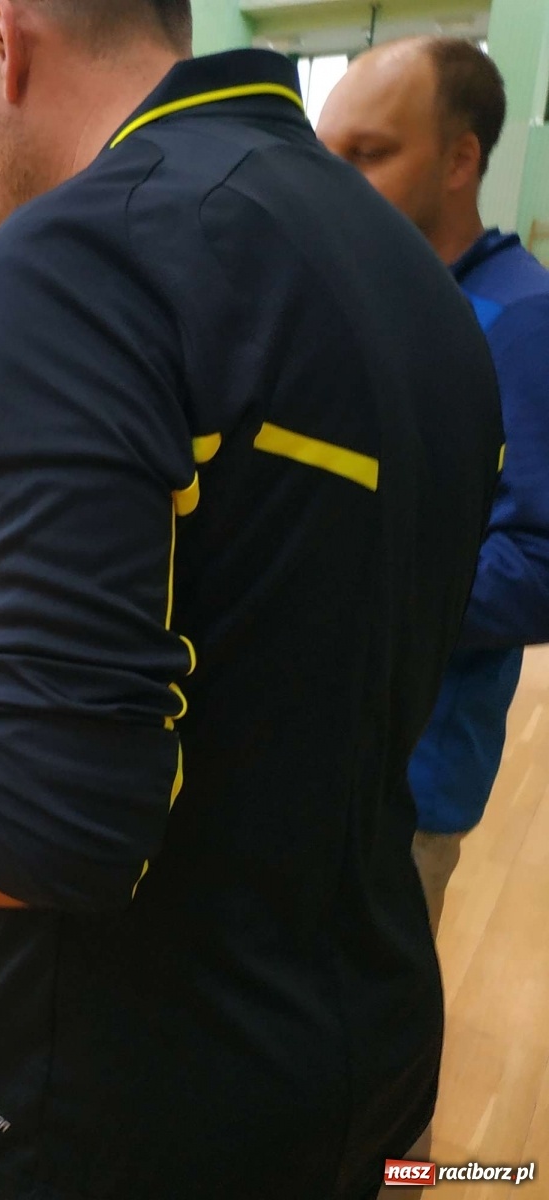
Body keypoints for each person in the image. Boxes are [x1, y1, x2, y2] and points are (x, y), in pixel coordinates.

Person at [0, 4, 503, 1197]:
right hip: (369, 1034)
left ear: (2, 36)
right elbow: (285, 629)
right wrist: (57, 695)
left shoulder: (72, 259)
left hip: (136, 1091)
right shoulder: (409, 273)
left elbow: (52, 828)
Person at [319, 39, 549, 938]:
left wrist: (340, 580)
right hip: (309, 759)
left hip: (403, 789)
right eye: (325, 156)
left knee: (352, 1062)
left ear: (462, 159)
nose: (334, 184)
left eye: (368, 156)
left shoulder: (519, 322)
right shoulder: (363, 298)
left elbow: (536, 568)